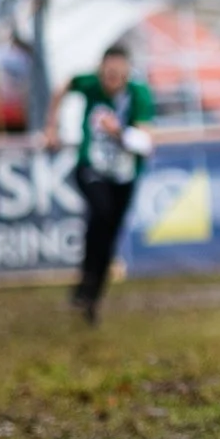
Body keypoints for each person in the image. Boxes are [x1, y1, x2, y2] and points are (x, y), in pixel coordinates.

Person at [41, 45, 156, 324]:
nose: (111, 79)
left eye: (117, 74)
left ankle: (92, 297)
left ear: (127, 73)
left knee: (109, 233)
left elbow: (146, 142)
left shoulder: (138, 95)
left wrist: (119, 133)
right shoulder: (90, 84)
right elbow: (64, 86)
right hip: (91, 167)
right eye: (107, 73)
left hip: (124, 175)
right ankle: (85, 284)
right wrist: (51, 126)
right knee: (101, 214)